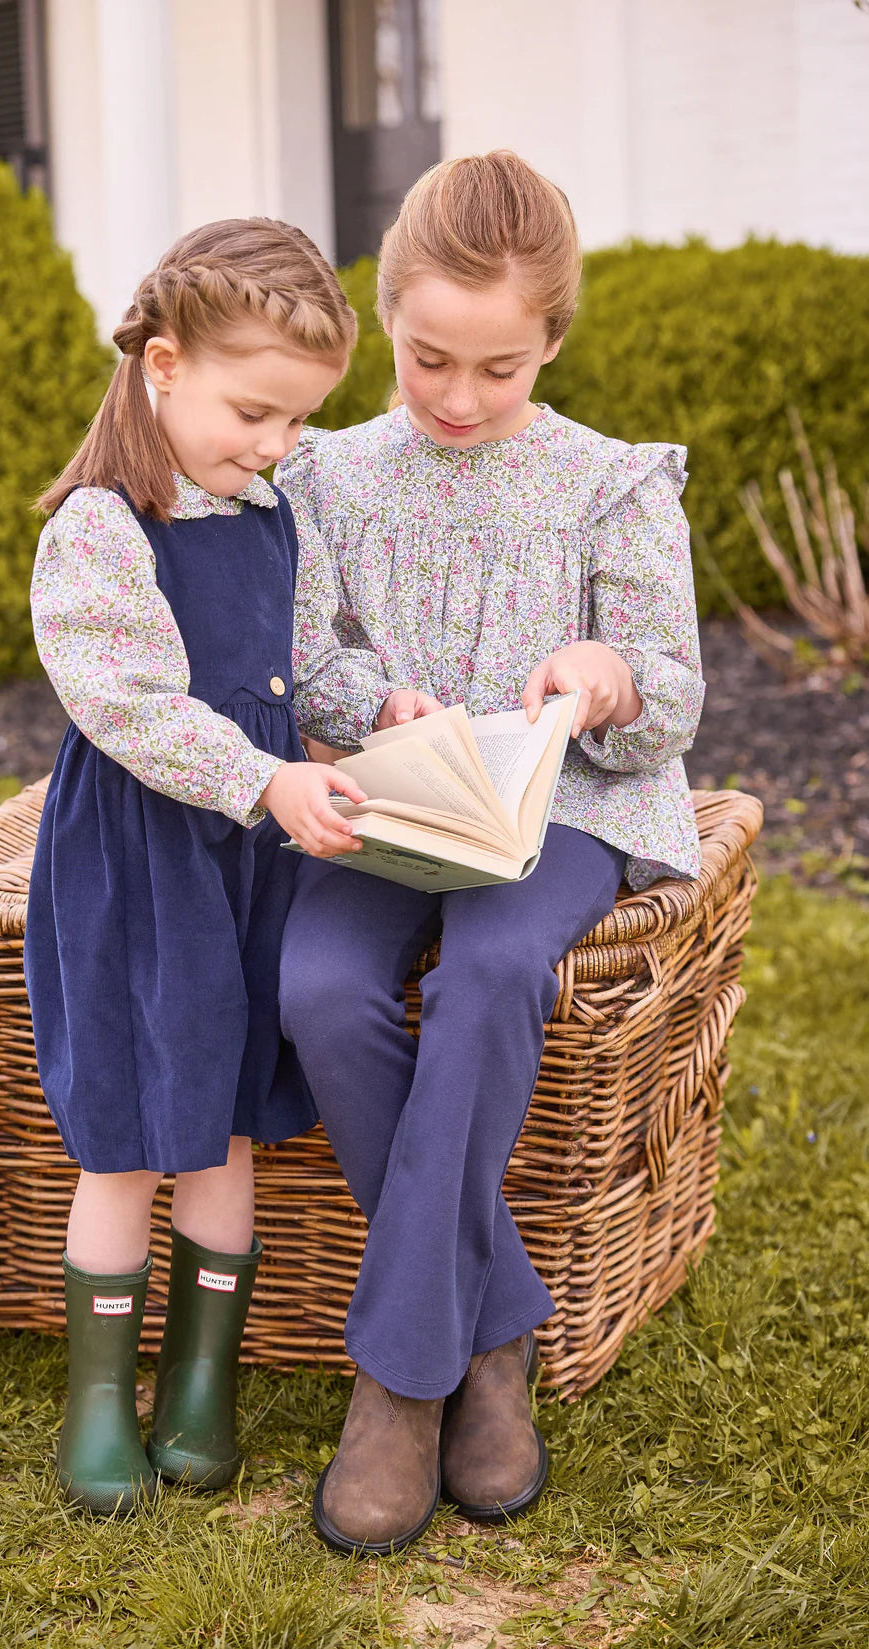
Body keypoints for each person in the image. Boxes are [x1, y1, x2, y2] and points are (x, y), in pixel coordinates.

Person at [276, 151, 705, 1556]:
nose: (460, 399)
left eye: (499, 370)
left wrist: (604, 673)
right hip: (394, 809)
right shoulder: (328, 476)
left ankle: (400, 1377)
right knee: (324, 990)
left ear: (554, 343)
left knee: (495, 969)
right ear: (386, 315)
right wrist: (366, 703)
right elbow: (305, 664)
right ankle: (498, 1325)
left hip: (560, 813)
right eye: (427, 360)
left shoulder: (609, 484)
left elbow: (672, 688)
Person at [24, 218, 404, 1517]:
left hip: (248, 861)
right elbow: (126, 704)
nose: (276, 445)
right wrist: (269, 778)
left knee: (229, 1116)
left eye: (296, 423)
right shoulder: (100, 528)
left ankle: (201, 1380)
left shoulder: (264, 510)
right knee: (134, 1129)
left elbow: (300, 663)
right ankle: (97, 1396)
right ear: (166, 364)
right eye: (257, 412)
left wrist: (371, 710)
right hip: (143, 866)